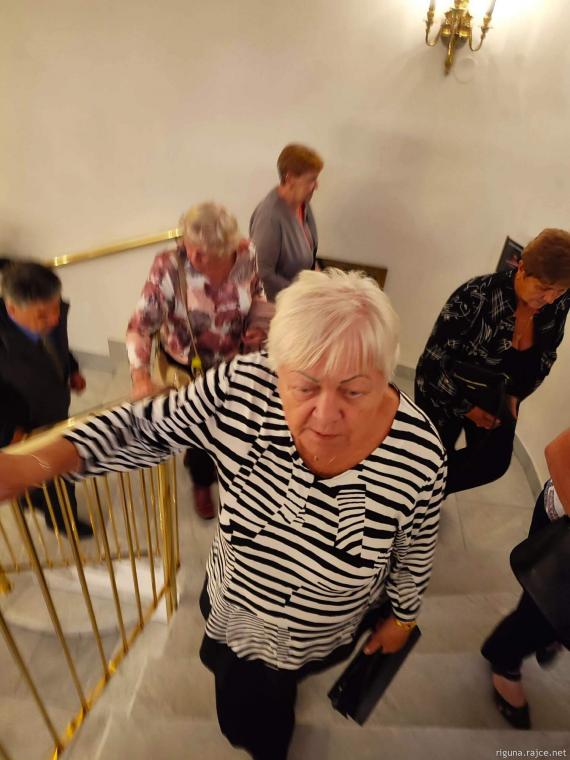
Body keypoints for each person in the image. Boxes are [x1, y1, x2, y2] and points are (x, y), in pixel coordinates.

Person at [0, 269, 446, 760]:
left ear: (386, 376)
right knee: (239, 705)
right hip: (236, 607)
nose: (324, 415)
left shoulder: (419, 454)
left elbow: (415, 547)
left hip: (320, 633)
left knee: (277, 695)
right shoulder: (243, 388)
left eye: (354, 391)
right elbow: (142, 427)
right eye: (303, 386)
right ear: (277, 369)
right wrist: (31, 466)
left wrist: (403, 616)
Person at [126, 202, 271, 519]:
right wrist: (140, 377)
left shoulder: (247, 253)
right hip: (187, 370)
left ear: (230, 247)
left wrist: (259, 326)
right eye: (189, 246)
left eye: (205, 253)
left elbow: (257, 291)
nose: (193, 256)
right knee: (199, 428)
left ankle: (220, 465)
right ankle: (201, 480)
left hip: (234, 362)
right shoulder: (168, 266)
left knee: (231, 423)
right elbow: (140, 327)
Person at [415, 229, 570, 495]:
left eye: (560, 291)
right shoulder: (474, 296)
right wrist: (469, 410)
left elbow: (547, 353)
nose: (550, 298)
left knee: (492, 463)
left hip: (497, 397)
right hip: (446, 393)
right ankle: (418, 495)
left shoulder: (558, 302)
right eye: (544, 288)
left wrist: (515, 398)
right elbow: (431, 368)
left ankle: (430, 493)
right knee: (431, 457)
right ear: (522, 268)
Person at [481, 428, 570, 730]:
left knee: (546, 608)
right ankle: (504, 658)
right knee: (540, 610)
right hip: (562, 528)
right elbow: (558, 452)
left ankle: (548, 633)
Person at [0, 261, 92, 537]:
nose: (53, 319)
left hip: (52, 409)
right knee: (57, 477)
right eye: (42, 315)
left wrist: (71, 369)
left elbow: (57, 344)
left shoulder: (48, 312)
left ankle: (34, 501)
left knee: (47, 476)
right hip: (24, 429)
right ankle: (62, 521)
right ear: (12, 309)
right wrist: (10, 434)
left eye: (56, 308)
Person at [250, 143, 323, 301]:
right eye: (311, 180)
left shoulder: (303, 205)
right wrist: (305, 295)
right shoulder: (269, 217)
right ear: (289, 179)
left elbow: (310, 257)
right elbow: (263, 275)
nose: (316, 186)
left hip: (302, 298)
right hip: (279, 305)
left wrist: (323, 284)